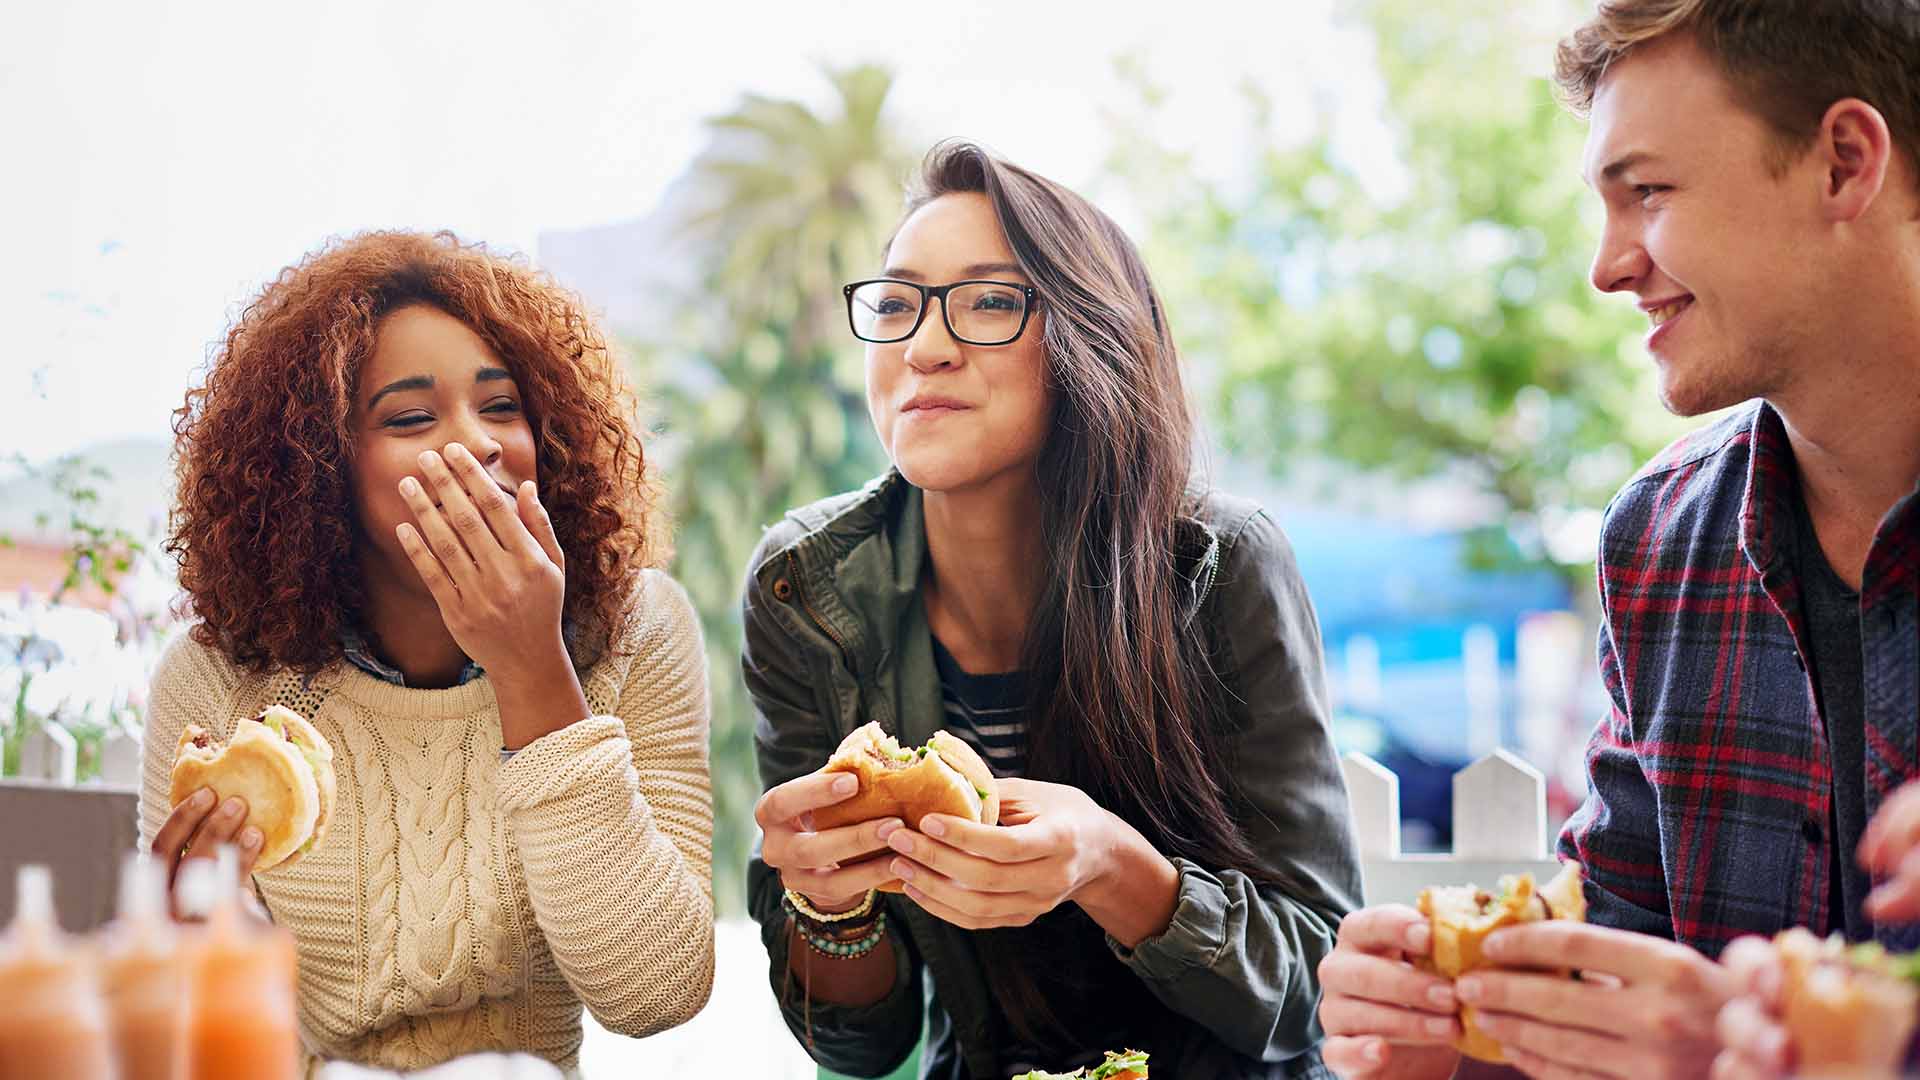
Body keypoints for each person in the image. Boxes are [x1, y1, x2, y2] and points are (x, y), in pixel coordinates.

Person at [1315, 3, 1920, 1078]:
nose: (1606, 266)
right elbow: (1608, 985)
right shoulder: (1657, 538)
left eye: (1648, 192)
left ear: (1843, 164)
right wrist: (1450, 1040)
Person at [742, 140, 1362, 1079]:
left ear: (1089, 339)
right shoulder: (807, 591)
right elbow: (861, 1048)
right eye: (898, 302)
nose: (925, 345)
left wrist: (1113, 867)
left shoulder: (1221, 566)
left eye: (990, 301)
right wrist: (827, 906)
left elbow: (1314, 988)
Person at [142, 230, 715, 1077]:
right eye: (411, 417)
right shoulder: (219, 680)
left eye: (503, 407)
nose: (476, 444)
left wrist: (531, 668)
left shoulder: (635, 632)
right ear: (318, 469)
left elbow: (655, 993)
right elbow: (193, 1024)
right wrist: (199, 945)